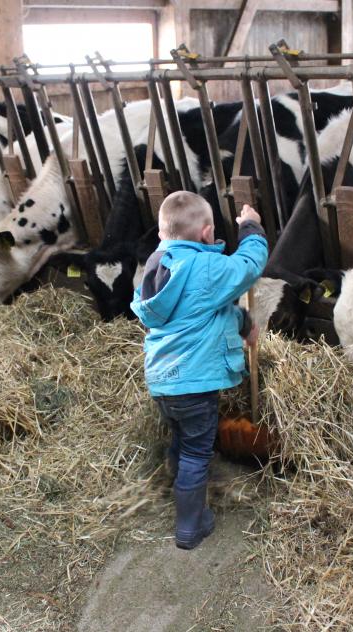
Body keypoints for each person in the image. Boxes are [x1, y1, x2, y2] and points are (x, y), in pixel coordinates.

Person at [130, 190, 268, 550]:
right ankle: (191, 525)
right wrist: (251, 228)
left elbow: (197, 312)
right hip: (194, 384)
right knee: (197, 451)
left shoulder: (157, 269)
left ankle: (179, 487)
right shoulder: (204, 267)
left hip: (162, 382)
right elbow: (249, 266)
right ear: (207, 234)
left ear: (163, 234)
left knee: (182, 439)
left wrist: (242, 321)